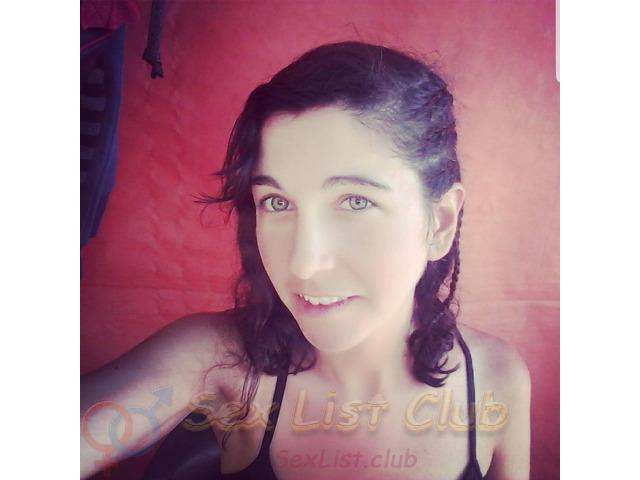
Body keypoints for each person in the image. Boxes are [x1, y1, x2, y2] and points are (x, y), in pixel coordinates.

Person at [81, 41, 531, 480]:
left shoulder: (495, 378)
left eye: (355, 201)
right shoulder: (217, 362)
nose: (303, 265)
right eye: (276, 203)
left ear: (440, 224)